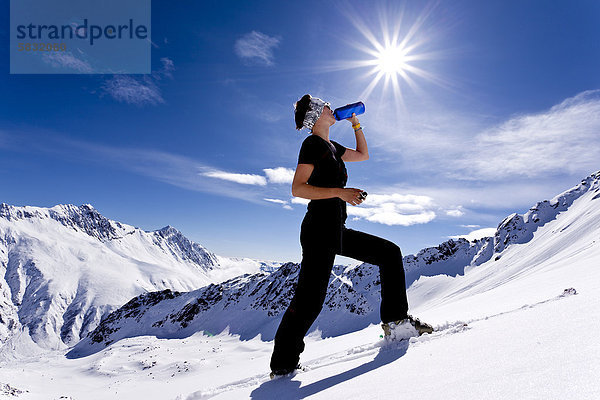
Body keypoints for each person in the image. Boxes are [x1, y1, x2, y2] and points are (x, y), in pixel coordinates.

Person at [269, 94, 433, 378]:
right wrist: (341, 192)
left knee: (389, 253)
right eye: (326, 106)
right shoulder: (311, 144)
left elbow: (363, 155)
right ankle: (282, 365)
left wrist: (356, 123)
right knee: (310, 301)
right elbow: (298, 188)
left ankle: (395, 324)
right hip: (319, 230)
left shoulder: (331, 146)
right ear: (317, 115)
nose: (332, 107)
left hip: (335, 229)